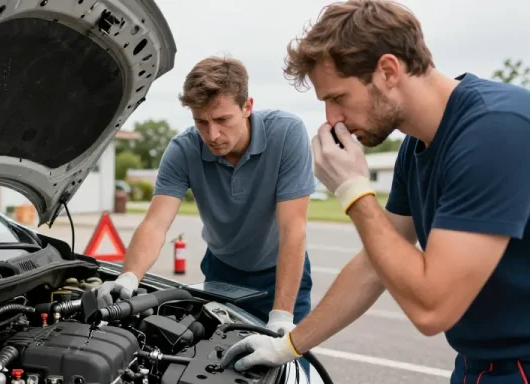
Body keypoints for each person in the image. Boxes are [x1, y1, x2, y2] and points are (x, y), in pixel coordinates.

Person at [218, 1, 530, 382]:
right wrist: (287, 345)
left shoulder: (495, 130)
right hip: (479, 363)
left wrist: (354, 192)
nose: (332, 120)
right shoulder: (415, 149)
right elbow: (374, 266)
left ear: (387, 71)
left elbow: (433, 309)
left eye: (338, 98)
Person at [96, 55, 316, 373]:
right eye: (201, 121)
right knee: (221, 368)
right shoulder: (183, 149)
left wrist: (281, 316)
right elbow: (156, 223)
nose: (212, 134)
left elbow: (293, 228)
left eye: (222, 120)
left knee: (290, 373)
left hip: (279, 275)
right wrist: (129, 277)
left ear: (247, 106)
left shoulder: (287, 134)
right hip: (222, 274)